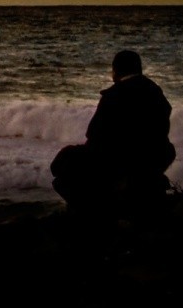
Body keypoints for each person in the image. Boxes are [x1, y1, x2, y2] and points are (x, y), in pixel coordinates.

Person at [50, 50, 176, 213]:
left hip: (120, 159)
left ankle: (94, 209)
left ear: (116, 70)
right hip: (154, 156)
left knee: (63, 162)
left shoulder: (114, 95)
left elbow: (94, 135)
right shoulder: (156, 92)